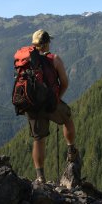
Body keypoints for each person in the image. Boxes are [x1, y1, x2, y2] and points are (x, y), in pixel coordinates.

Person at [26, 29, 79, 184]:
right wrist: (57, 99)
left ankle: (40, 176)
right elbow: (65, 83)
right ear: (47, 43)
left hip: (32, 105)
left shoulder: (25, 60)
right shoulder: (54, 59)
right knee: (67, 118)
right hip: (50, 102)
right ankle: (71, 150)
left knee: (38, 139)